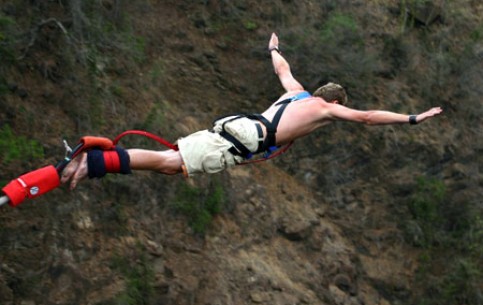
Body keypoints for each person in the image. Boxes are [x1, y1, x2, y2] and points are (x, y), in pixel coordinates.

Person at [61, 33, 443, 189]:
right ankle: (93, 162)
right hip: (247, 138)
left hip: (241, 126)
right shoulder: (325, 108)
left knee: (173, 159)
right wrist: (412, 118)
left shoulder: (296, 93)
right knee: (169, 163)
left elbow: (282, 68)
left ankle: (94, 163)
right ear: (335, 101)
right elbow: (368, 116)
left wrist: (273, 48)